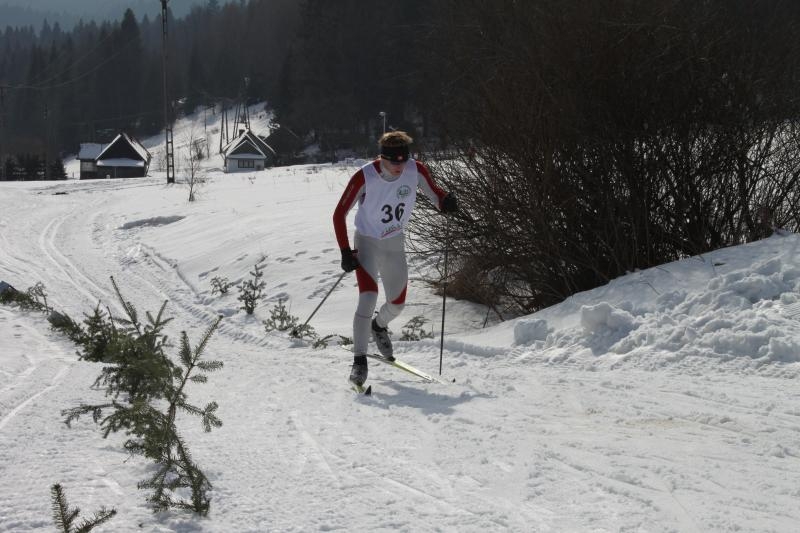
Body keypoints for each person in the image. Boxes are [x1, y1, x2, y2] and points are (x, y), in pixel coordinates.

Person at [333, 131, 458, 386]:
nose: (399, 167)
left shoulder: (416, 170)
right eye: (394, 162)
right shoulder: (364, 176)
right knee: (368, 297)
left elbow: (436, 194)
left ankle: (378, 326)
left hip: (394, 243)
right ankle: (359, 361)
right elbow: (339, 214)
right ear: (382, 158)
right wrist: (346, 251)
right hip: (367, 242)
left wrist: (446, 201)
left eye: (403, 161)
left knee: (398, 304)